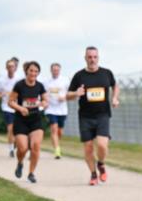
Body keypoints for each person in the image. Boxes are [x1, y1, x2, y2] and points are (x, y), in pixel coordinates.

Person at [68, 47, 119, 186]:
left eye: (95, 57)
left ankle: (101, 163)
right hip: (85, 116)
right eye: (89, 57)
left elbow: (115, 86)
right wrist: (75, 93)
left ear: (98, 57)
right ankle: (93, 174)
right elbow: (68, 95)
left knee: (102, 145)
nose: (92, 59)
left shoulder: (106, 73)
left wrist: (115, 98)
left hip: (103, 115)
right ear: (85, 58)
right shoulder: (79, 76)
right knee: (88, 147)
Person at [8, 61, 48, 183]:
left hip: (35, 120)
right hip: (21, 120)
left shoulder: (40, 86)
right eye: (31, 70)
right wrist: (20, 108)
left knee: (35, 146)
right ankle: (20, 163)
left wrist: (43, 103)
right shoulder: (19, 85)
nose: (33, 73)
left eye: (36, 71)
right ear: (27, 71)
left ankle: (31, 173)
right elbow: (10, 102)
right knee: (23, 148)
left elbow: (46, 100)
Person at [0, 59, 21, 157]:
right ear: (6, 68)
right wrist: (1, 95)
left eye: (12, 66)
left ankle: (15, 142)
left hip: (17, 107)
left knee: (18, 129)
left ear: (15, 68)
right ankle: (11, 149)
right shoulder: (2, 80)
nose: (11, 68)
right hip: (7, 107)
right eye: (9, 66)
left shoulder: (19, 79)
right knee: (10, 128)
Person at [43, 62, 70, 159]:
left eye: (57, 70)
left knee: (59, 132)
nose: (56, 72)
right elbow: (43, 94)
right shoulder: (46, 82)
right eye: (54, 70)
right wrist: (45, 101)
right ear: (51, 71)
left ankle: (56, 143)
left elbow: (71, 93)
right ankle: (57, 151)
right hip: (50, 109)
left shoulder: (65, 80)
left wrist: (65, 97)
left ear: (60, 70)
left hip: (62, 110)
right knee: (54, 129)